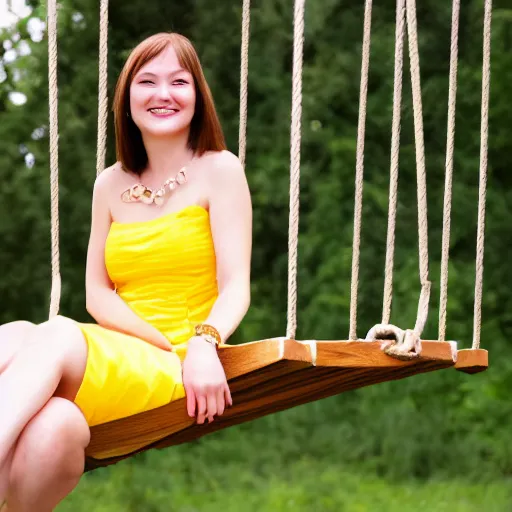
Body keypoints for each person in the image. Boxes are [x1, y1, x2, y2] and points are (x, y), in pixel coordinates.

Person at [0, 32, 252, 511]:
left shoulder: (220, 170)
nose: (163, 94)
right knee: (48, 408)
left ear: (197, 95)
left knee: (53, 334)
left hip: (178, 362)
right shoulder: (110, 185)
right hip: (123, 352)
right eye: (147, 81)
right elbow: (97, 294)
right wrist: (144, 337)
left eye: (178, 81)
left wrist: (201, 342)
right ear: (127, 98)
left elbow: (236, 285)